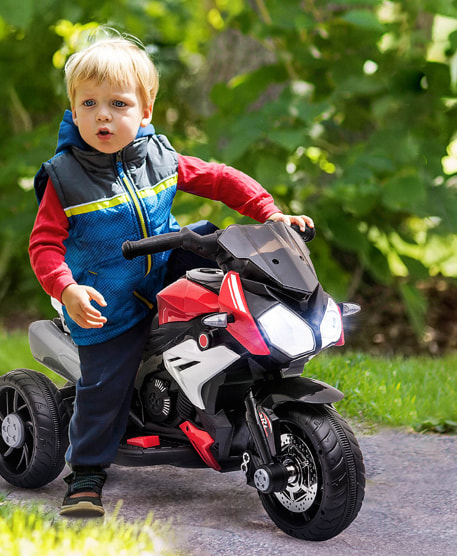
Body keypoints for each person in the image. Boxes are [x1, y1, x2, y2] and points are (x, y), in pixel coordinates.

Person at [29, 32, 313, 518]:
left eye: (117, 103)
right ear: (73, 111)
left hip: (164, 269)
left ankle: (238, 382)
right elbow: (44, 245)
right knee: (105, 386)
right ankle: (87, 475)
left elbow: (220, 178)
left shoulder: (160, 156)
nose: (102, 115)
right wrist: (68, 288)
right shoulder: (64, 177)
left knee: (224, 256)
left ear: (146, 109)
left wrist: (269, 214)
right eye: (89, 103)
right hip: (107, 300)